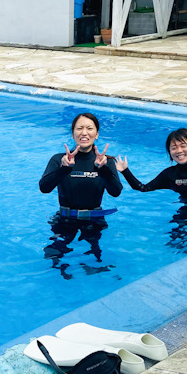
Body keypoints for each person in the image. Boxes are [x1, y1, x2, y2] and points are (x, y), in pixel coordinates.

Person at [38, 112, 123, 278]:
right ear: (73, 134)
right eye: (80, 128)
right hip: (64, 219)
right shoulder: (59, 159)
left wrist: (103, 169)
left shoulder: (106, 161)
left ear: (96, 134)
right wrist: (63, 169)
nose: (84, 132)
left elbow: (116, 191)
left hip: (94, 220)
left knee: (95, 258)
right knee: (53, 258)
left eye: (89, 128)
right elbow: (44, 188)